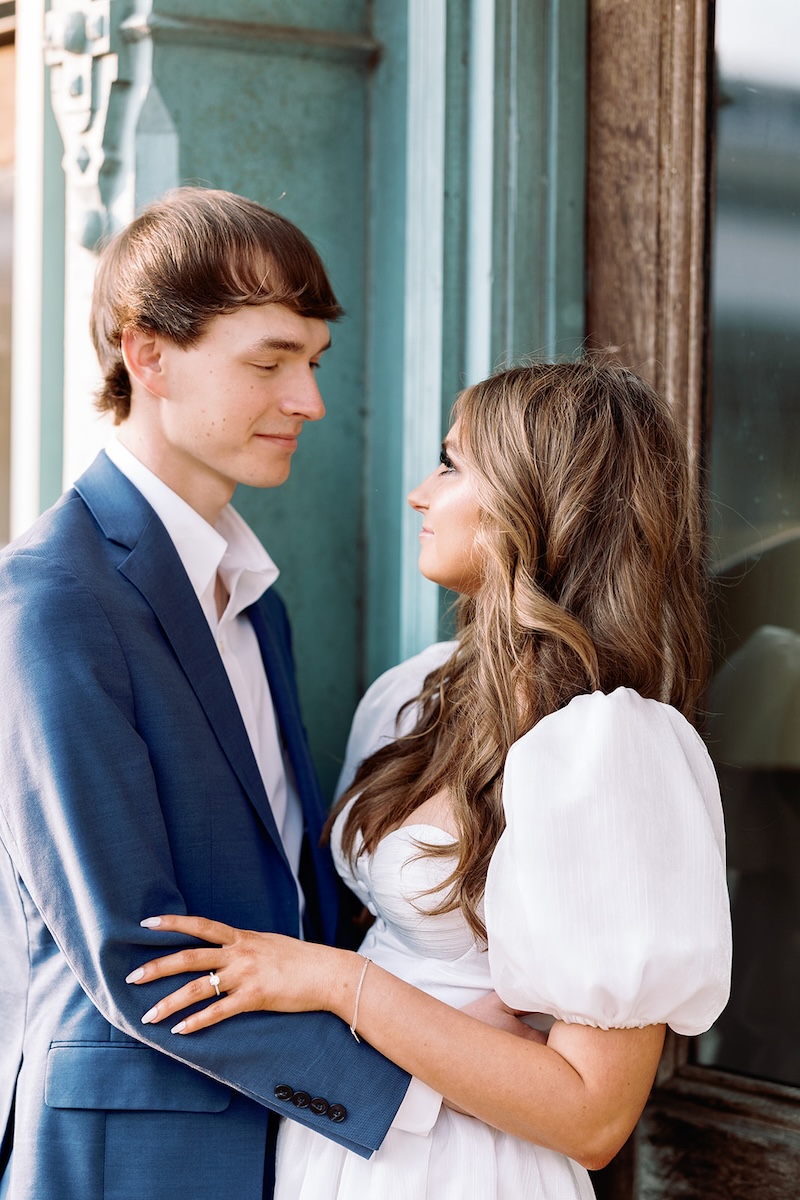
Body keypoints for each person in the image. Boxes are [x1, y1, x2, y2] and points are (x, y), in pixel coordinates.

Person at [129, 359, 733, 1199]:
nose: (419, 493)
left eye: (451, 465)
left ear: (537, 503)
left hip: (469, 1167)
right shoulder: (411, 696)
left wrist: (337, 982)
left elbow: (593, 1119)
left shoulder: (610, 752)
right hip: (340, 1138)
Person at [0, 187, 429, 1200]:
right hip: (134, 1154)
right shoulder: (52, 595)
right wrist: (425, 1092)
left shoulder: (250, 594)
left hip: (287, 1141)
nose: (308, 401)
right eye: (270, 361)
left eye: (313, 363)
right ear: (146, 354)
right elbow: (133, 950)